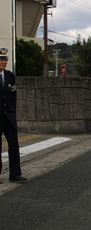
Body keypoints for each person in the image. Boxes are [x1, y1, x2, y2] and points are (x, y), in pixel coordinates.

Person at [0, 47, 27, 183]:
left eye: (5, 59)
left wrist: (12, 113)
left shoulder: (10, 76)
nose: (4, 62)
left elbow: (13, 96)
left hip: (8, 117)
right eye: (1, 59)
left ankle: (15, 174)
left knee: (14, 145)